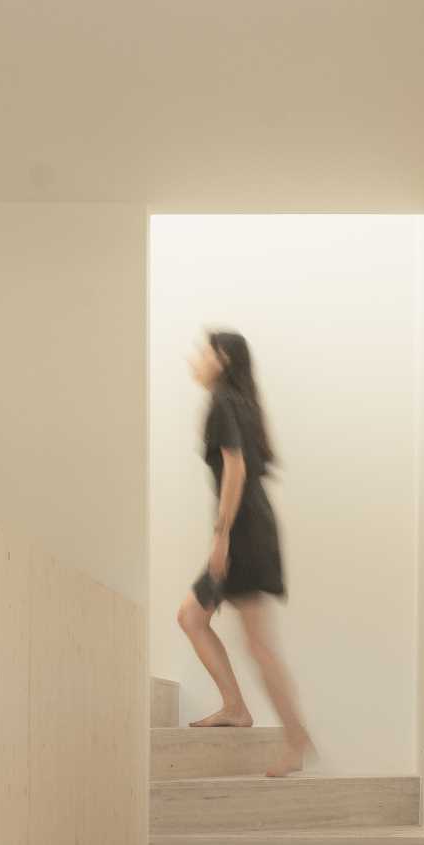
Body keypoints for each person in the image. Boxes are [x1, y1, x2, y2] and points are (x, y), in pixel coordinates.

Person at [175, 330, 315, 779]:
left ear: (223, 359)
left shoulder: (222, 403)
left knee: (256, 644)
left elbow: (234, 469)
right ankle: (237, 707)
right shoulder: (242, 405)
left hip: (245, 534)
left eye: (203, 351)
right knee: (195, 618)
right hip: (253, 529)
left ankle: (296, 739)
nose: (196, 358)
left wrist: (221, 536)